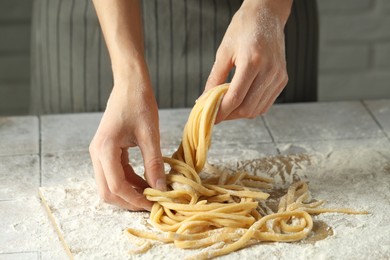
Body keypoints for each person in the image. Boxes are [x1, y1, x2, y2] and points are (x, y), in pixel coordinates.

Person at [88, 0, 292, 211]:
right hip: (113, 20)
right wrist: (126, 73)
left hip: (265, 32)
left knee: (259, 88)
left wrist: (268, 9)